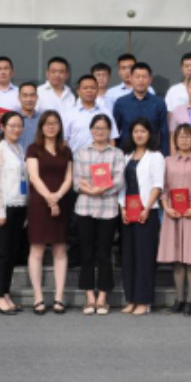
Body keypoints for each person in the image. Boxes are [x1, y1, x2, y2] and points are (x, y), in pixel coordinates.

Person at [73, 114, 125, 315]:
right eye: (96, 128)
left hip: (108, 209)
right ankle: (89, 298)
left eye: (103, 128)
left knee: (104, 253)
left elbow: (118, 180)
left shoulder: (117, 153)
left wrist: (99, 190)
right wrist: (92, 191)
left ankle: (102, 297)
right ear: (91, 130)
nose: (100, 132)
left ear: (109, 131)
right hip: (85, 207)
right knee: (86, 253)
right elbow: (77, 180)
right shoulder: (81, 152)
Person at [158, 123, 191, 316]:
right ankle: (179, 299)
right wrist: (166, 207)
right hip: (173, 211)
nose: (184, 140)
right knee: (177, 259)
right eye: (180, 136)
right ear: (175, 140)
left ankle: (190, 301)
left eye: (188, 136)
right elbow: (163, 187)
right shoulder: (168, 160)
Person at [25, 110, 73, 315]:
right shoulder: (33, 149)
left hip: (62, 202)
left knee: (60, 249)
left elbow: (69, 178)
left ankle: (59, 296)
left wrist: (57, 197)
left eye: (54, 123)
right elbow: (34, 177)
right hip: (39, 203)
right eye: (47, 123)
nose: (51, 127)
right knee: (37, 250)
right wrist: (49, 198)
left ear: (60, 126)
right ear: (41, 127)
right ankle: (38, 297)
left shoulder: (65, 150)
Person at [119, 118, 164, 316]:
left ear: (149, 134)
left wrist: (146, 208)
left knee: (144, 257)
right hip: (128, 212)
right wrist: (122, 208)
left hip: (147, 212)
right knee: (129, 257)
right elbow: (121, 185)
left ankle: (144, 301)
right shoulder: (126, 156)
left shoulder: (156, 156)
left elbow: (158, 185)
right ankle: (131, 298)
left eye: (143, 131)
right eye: (135, 131)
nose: (139, 135)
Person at [0, 111, 29, 315]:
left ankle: (5, 293)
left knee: (12, 253)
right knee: (2, 254)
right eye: (12, 126)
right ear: (3, 127)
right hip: (4, 207)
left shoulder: (20, 148)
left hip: (19, 206)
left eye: (19, 126)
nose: (16, 129)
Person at [114, 62, 170, 156]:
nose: (141, 80)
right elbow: (115, 132)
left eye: (144, 77)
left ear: (150, 80)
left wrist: (165, 156)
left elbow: (164, 132)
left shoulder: (159, 103)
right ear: (131, 79)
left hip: (152, 153)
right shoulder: (121, 103)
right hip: (127, 154)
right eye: (137, 77)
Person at [65, 75, 119, 153]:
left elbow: (112, 139)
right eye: (85, 88)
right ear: (78, 91)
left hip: (102, 158)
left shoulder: (106, 112)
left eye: (92, 88)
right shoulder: (69, 114)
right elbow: (64, 140)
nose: (89, 91)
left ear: (97, 90)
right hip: (76, 158)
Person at [18, 82, 41, 148]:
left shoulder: (43, 119)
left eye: (32, 95)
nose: (29, 99)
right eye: (25, 96)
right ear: (19, 98)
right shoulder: (13, 119)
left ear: (37, 97)